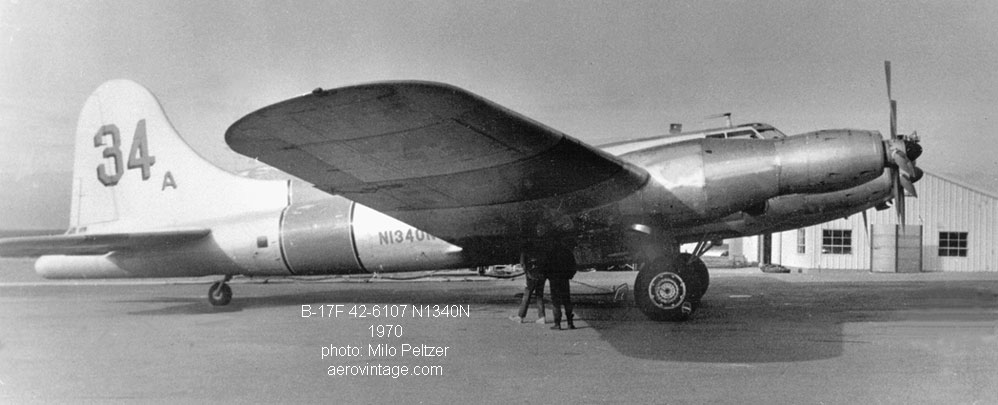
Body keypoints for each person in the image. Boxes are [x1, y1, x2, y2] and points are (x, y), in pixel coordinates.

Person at [545, 242, 577, 330]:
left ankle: (557, 323)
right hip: (564, 280)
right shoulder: (567, 252)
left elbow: (545, 267)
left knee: (556, 302)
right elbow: (573, 266)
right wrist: (570, 275)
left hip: (554, 280)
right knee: (567, 301)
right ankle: (570, 323)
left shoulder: (550, 253)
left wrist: (548, 276)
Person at [510, 251, 547, 324]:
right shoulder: (541, 247)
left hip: (531, 276)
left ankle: (520, 316)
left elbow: (523, 264)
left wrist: (527, 276)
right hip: (541, 275)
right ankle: (542, 317)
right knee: (539, 296)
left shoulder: (525, 249)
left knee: (526, 296)